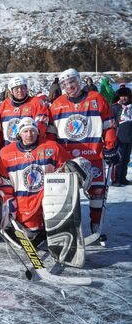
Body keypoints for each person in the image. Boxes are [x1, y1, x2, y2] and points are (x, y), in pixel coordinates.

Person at [50, 68, 118, 234]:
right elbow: (51, 133)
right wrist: (52, 155)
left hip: (93, 156)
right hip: (67, 160)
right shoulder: (57, 104)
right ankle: (69, 230)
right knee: (67, 197)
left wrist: (110, 146)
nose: (69, 86)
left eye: (72, 82)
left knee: (97, 194)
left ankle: (96, 225)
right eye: (65, 83)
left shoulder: (96, 99)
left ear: (79, 81)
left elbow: (108, 125)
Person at [0, 118, 76, 240]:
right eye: (25, 131)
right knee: (32, 232)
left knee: (55, 228)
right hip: (23, 201)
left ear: (38, 132)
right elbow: (4, 182)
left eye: (32, 131)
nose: (29, 135)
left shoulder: (52, 147)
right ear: (19, 134)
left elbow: (67, 169)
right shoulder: (6, 153)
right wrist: (8, 201)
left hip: (47, 198)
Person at [0, 76, 50, 145]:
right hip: (8, 147)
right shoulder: (3, 105)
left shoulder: (36, 103)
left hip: (29, 145)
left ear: (26, 88)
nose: (20, 90)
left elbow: (42, 124)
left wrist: (31, 139)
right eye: (16, 89)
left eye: (22, 87)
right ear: (11, 91)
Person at [111, 86, 132, 186]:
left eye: (125, 96)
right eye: (121, 96)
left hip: (129, 137)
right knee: (119, 159)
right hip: (119, 137)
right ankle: (116, 179)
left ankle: (123, 178)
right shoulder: (115, 107)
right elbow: (110, 122)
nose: (123, 98)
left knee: (126, 159)